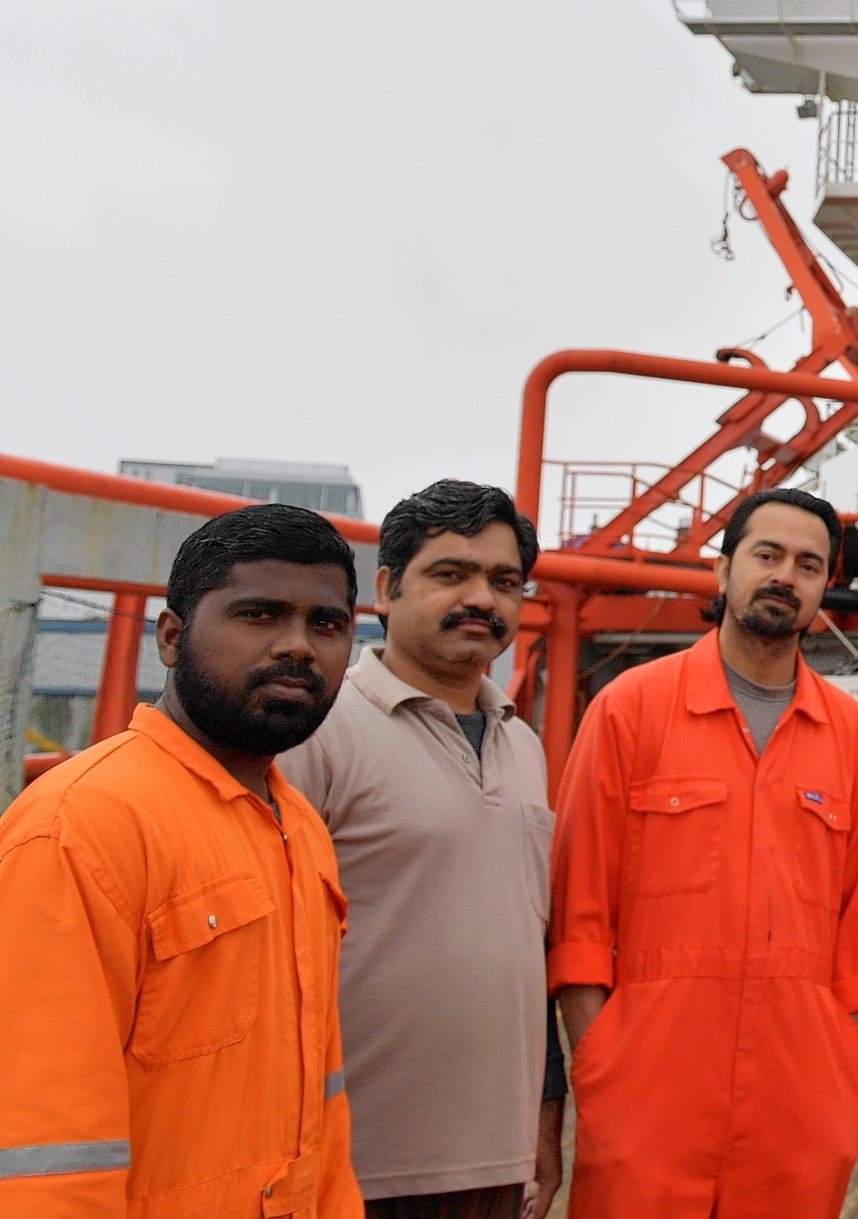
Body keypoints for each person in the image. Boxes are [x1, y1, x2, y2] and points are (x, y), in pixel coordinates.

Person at [0, 504, 362, 1217]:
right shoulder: (81, 828)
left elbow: (319, 1109)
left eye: (327, 624)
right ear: (171, 637)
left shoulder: (298, 829)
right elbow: (43, 1150)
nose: (299, 647)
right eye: (259, 615)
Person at [547, 487, 858, 1218]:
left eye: (807, 565)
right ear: (723, 570)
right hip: (647, 1078)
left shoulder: (851, 733)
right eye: (766, 555)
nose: (783, 577)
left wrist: (842, 1056)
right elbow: (579, 908)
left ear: (825, 587)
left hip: (801, 1086)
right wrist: (599, 1054)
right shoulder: (631, 708)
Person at [277, 481, 564, 1219]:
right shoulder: (316, 733)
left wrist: (540, 1119)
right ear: (385, 588)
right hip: (353, 1165)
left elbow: (524, 947)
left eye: (505, 582)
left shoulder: (524, 747)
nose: (482, 598)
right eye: (450, 574)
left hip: (495, 1164)